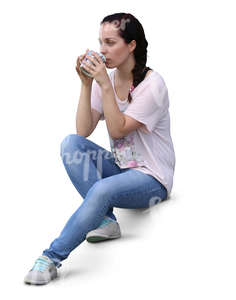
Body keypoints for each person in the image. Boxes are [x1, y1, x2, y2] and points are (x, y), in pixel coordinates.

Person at [24, 12, 176, 285]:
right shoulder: (106, 79)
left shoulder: (152, 85)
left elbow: (117, 129)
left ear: (131, 45)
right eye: (100, 41)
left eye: (110, 42)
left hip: (152, 178)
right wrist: (86, 84)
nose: (101, 49)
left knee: (101, 190)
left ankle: (51, 257)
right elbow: (83, 130)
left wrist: (103, 83)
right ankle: (106, 221)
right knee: (71, 144)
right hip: (121, 168)